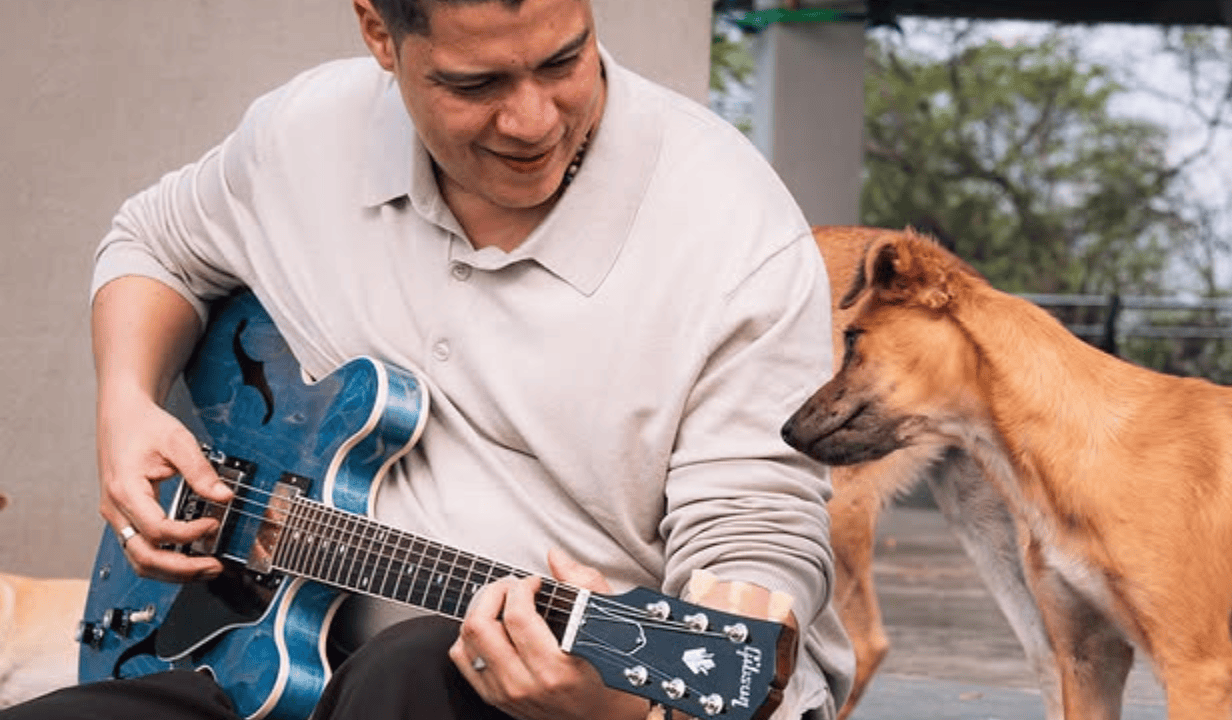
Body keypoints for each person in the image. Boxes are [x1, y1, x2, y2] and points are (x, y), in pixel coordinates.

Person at [4, 0, 853, 718]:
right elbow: (154, 245)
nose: (533, 121)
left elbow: (756, 540)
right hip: (251, 646)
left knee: (412, 666)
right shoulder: (306, 134)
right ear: (379, 31)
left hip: (552, 700)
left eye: (566, 61)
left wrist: (622, 704)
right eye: (475, 84)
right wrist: (125, 404)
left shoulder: (731, 227)